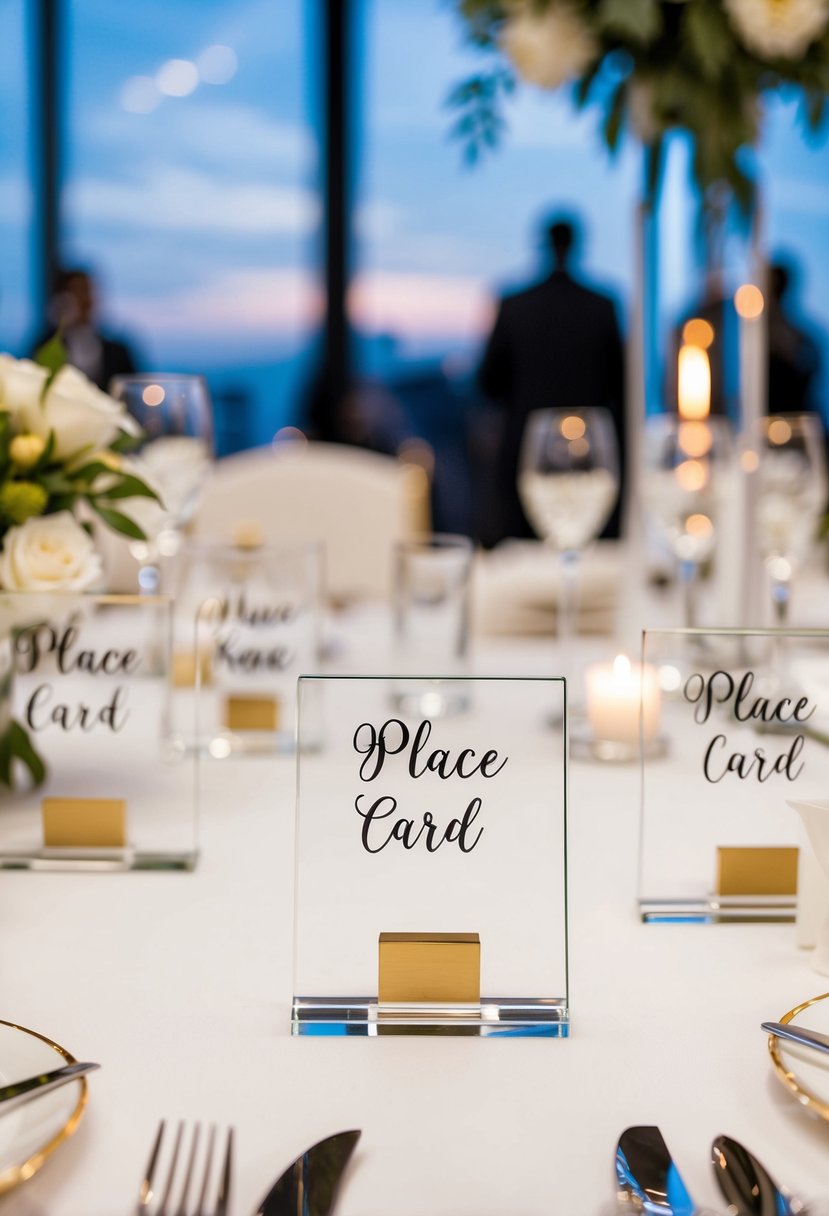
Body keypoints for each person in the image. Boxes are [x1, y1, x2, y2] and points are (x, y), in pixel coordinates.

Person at [477, 216, 626, 543]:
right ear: (576, 245)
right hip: (587, 458)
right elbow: (623, 387)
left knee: (524, 553)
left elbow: (487, 383)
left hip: (525, 458)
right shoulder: (602, 306)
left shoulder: (514, 305)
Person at [32, 266, 139, 390]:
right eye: (77, 292)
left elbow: (131, 390)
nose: (86, 300)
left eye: (89, 291)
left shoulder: (117, 351)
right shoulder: (44, 347)